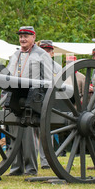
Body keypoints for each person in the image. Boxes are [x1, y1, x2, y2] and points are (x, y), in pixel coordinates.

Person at [7, 26, 53, 176]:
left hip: (32, 97)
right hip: (15, 96)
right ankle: (16, 167)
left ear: (33, 37)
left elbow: (47, 79)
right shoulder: (15, 55)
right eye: (21, 36)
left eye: (26, 36)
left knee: (28, 136)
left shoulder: (42, 55)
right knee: (14, 133)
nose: (22, 39)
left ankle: (30, 168)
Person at [38, 40, 62, 169]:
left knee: (48, 133)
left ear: (52, 53)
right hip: (35, 100)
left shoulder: (57, 68)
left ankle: (46, 161)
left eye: (48, 51)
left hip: (51, 102)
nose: (46, 53)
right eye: (43, 50)